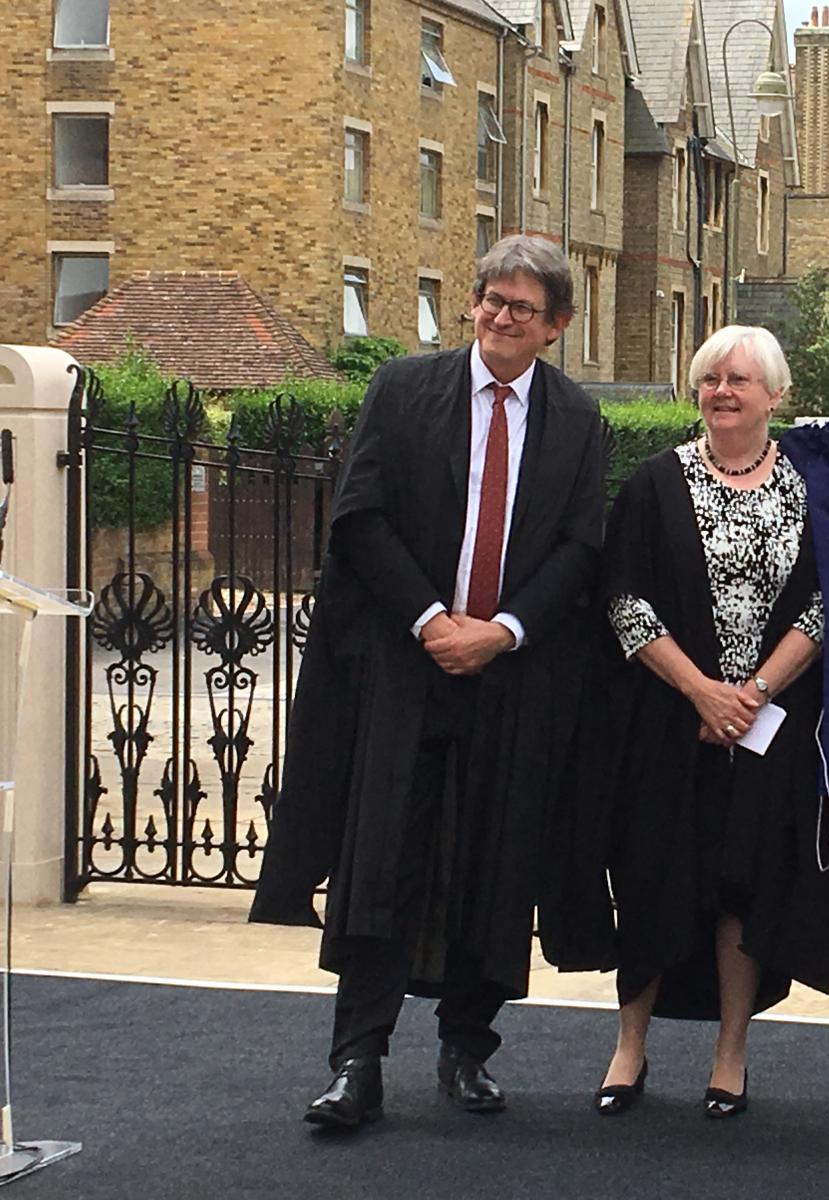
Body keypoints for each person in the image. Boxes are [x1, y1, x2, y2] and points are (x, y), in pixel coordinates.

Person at [248, 235, 608, 1130]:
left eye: (521, 306)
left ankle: (467, 1049)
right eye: (490, 298)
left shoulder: (578, 421)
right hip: (406, 668)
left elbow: (580, 549)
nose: (498, 315)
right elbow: (359, 519)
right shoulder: (404, 392)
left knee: (495, 859)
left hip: (511, 674)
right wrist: (433, 622)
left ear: (555, 326)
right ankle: (356, 1062)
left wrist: (504, 630)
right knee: (383, 859)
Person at [591, 324, 829, 1119]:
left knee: (746, 884)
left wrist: (754, 694)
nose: (722, 392)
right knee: (653, 879)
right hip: (668, 723)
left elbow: (827, 600)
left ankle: (729, 1056)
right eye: (709, 379)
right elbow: (624, 601)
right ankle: (628, 1049)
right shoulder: (652, 483)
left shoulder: (812, 488)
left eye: (739, 379)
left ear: (777, 395)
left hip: (772, 729)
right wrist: (702, 691)